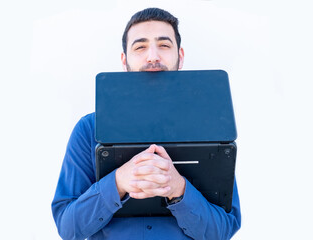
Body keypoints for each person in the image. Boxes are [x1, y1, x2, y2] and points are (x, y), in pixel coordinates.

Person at [52, 8, 241, 240]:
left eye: (164, 45)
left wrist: (179, 189)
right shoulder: (88, 129)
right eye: (140, 47)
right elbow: (68, 228)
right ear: (125, 60)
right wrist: (118, 182)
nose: (153, 56)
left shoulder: (213, 129)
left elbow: (223, 230)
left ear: (180, 57)